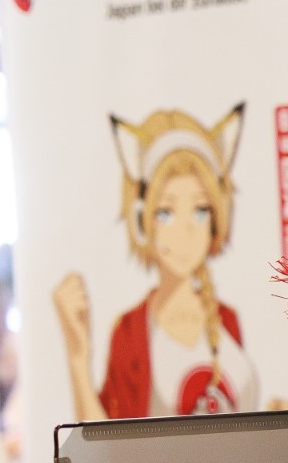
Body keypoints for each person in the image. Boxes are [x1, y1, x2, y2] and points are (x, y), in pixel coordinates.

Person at [54, 105, 261, 420]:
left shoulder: (226, 321)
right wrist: (77, 356)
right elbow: (105, 443)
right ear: (141, 221)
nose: (185, 231)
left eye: (200, 210)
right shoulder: (131, 332)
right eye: (165, 213)